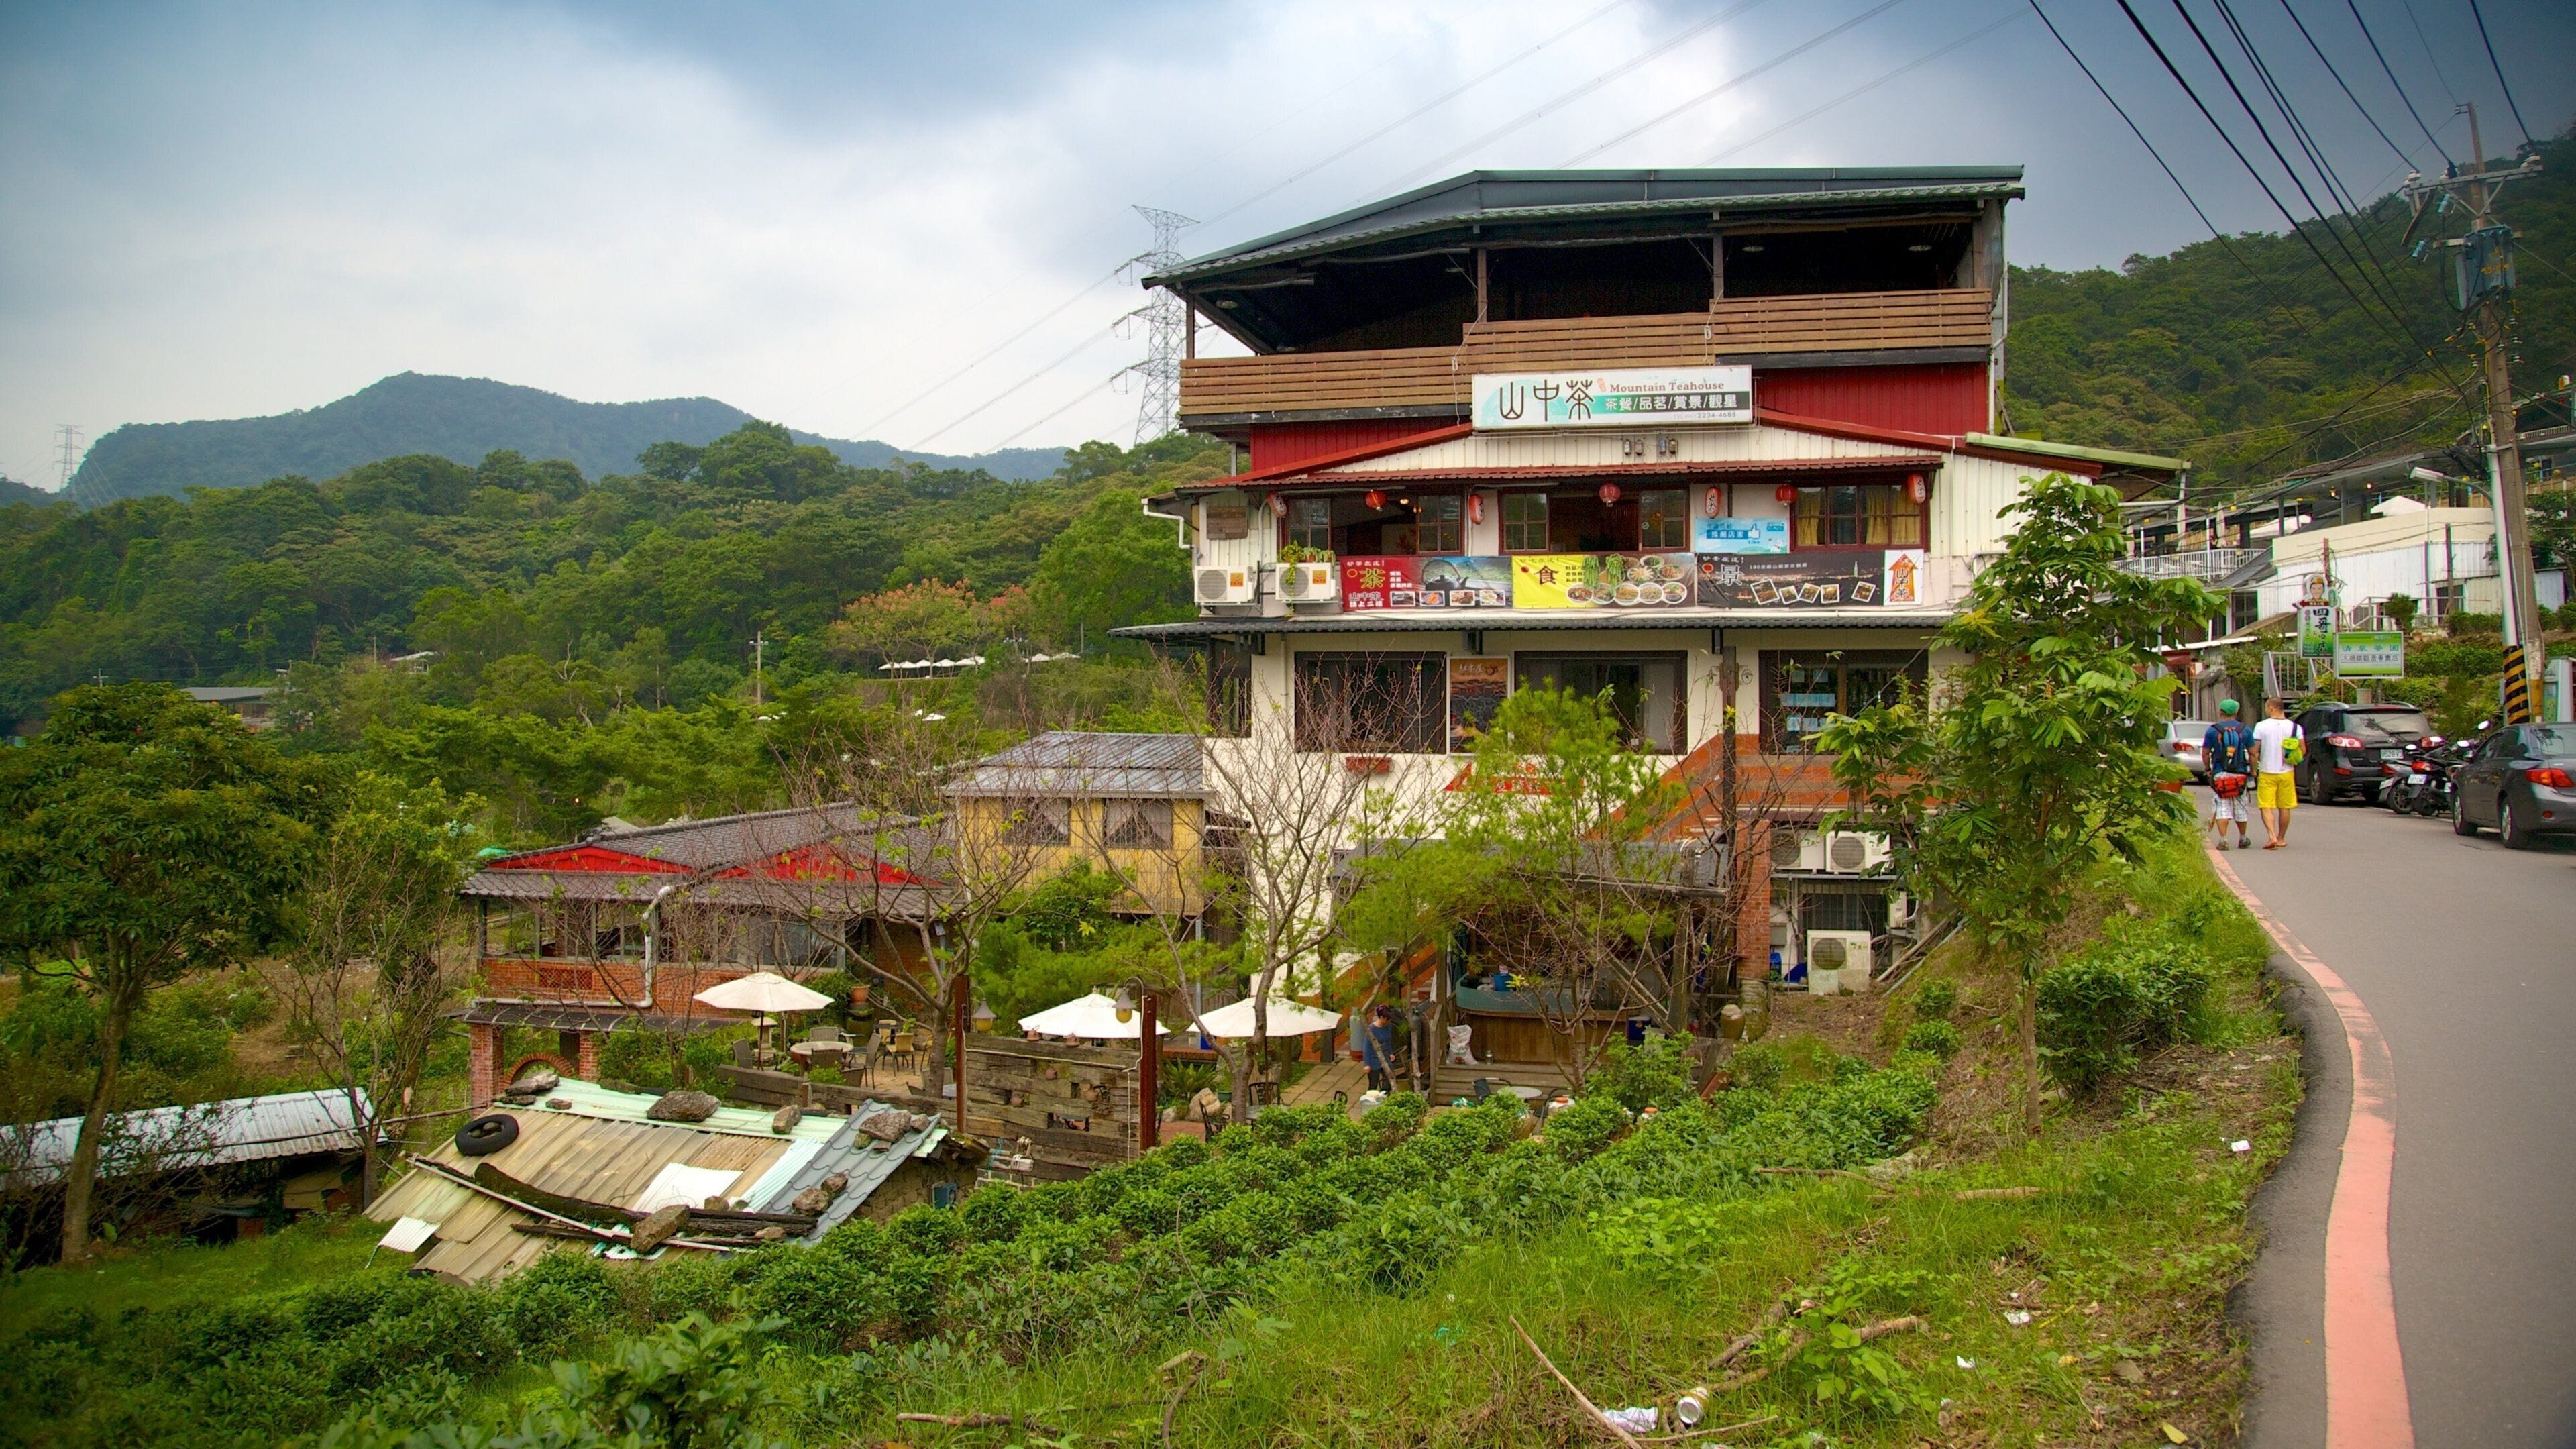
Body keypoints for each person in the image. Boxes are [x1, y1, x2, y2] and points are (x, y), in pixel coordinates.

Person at [2251, 696, 2305, 849]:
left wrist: (2254, 769)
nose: (2267, 710)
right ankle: (2281, 838)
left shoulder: (2261, 726)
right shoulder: (2296, 728)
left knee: (2266, 806)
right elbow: (2303, 750)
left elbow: (2254, 751)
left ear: (2272, 707)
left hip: (2267, 772)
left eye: (2267, 707)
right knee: (2285, 807)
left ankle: (2272, 836)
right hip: (2287, 772)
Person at [2202, 700, 2256, 850]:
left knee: (2222, 807)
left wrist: (2208, 770)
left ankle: (2224, 839)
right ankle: (2243, 838)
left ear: (2221, 712)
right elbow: (2252, 754)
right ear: (2237, 712)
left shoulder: (2212, 731)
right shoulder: (2245, 730)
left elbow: (2206, 753)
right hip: (2239, 775)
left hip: (2220, 774)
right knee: (2240, 807)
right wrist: (2252, 772)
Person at [1360, 1005, 1396, 1093]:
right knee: (1373, 1085)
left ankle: (1384, 1095)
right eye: (1387, 1019)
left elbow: (1388, 1041)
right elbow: (1367, 1047)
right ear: (1382, 1017)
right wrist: (1367, 1064)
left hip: (1385, 1057)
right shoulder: (1372, 1029)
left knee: (1389, 1078)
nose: (1389, 1021)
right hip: (1373, 1059)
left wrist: (1390, 1053)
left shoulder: (1388, 1026)